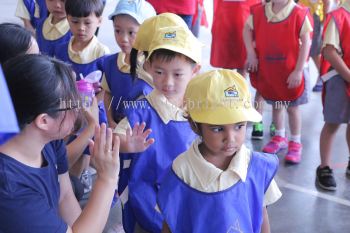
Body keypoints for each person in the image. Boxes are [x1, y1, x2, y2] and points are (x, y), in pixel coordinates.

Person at [0, 54, 120, 233]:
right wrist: (107, 179)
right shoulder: (10, 189)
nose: (81, 107)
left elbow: (64, 196)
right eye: (72, 103)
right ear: (44, 121)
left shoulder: (47, 140)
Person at [157, 69, 282, 233]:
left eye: (239, 126)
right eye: (217, 129)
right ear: (195, 125)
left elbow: (261, 215)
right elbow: (170, 222)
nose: (230, 138)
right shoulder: (181, 170)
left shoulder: (258, 167)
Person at [114, 26, 202, 233]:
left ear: (195, 70)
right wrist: (128, 143)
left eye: (178, 74)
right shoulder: (141, 109)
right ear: (149, 67)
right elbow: (115, 138)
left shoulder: (200, 107)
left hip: (189, 195)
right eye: (159, 72)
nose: (167, 82)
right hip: (148, 200)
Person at [243, 0, 312, 164]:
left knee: (293, 108)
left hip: (291, 71)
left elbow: (306, 42)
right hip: (272, 69)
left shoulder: (299, 13)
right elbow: (246, 30)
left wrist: (298, 70)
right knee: (277, 105)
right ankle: (280, 137)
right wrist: (251, 53)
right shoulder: (260, 12)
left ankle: (295, 142)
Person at [102, 0, 156, 128]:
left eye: (131, 33)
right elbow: (108, 93)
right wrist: (110, 121)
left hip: (143, 132)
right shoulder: (111, 63)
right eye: (118, 30)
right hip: (115, 128)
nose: (123, 39)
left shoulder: (154, 67)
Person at [54, 0, 109, 123]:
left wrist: (88, 108)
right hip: (66, 110)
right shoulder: (60, 50)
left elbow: (107, 89)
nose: (81, 28)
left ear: (99, 21)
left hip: (93, 113)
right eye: (75, 22)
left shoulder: (102, 53)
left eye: (87, 22)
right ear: (67, 19)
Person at [315, 0, 350, 191]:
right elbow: (329, 51)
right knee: (333, 124)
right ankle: (324, 167)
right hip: (339, 77)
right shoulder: (338, 16)